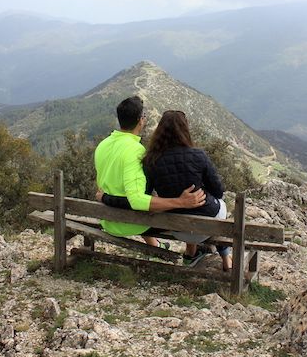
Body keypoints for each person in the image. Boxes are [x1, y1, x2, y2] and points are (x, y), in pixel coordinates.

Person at [101, 109, 232, 271]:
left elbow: (145, 197)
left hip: (176, 228)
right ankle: (226, 258)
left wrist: (105, 198)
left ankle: (191, 252)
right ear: (185, 129)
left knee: (187, 212)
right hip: (205, 226)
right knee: (221, 206)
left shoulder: (151, 160)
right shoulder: (199, 155)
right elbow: (219, 192)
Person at [93, 96, 205, 248]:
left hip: (107, 219)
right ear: (141, 120)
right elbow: (137, 200)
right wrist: (181, 201)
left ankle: (157, 246)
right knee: (182, 208)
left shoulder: (103, 145)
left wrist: (105, 198)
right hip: (130, 222)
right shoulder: (135, 151)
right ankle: (191, 254)